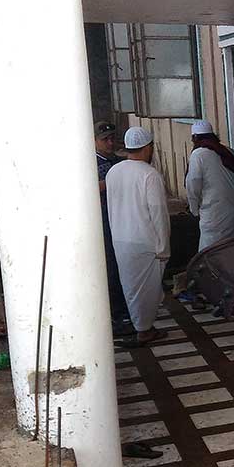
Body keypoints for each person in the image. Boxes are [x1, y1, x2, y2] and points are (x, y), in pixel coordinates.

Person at [106, 127, 170, 347]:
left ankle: (139, 325)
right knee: (147, 289)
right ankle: (144, 330)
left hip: (120, 239)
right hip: (145, 241)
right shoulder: (149, 174)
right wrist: (163, 246)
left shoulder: (114, 171)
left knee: (132, 287)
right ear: (148, 147)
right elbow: (158, 213)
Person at [94, 121, 134, 338]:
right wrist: (110, 182)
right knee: (109, 268)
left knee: (124, 266)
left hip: (124, 220)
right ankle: (115, 313)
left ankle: (128, 310)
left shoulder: (119, 161)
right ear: (94, 140)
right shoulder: (89, 163)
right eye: (104, 139)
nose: (110, 143)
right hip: (103, 223)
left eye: (112, 138)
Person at [185, 119, 234, 251]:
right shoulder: (229, 152)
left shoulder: (198, 154)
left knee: (208, 255)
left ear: (194, 138)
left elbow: (193, 184)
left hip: (216, 215)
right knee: (230, 249)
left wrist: (194, 209)